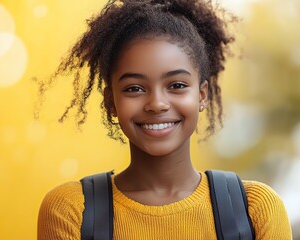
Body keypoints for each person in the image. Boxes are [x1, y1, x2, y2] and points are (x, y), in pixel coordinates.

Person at [37, 0, 292, 239]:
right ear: (111, 101)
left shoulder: (255, 209)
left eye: (177, 85)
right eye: (134, 88)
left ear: (202, 95)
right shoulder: (72, 211)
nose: (157, 104)